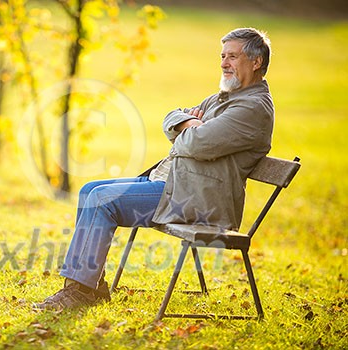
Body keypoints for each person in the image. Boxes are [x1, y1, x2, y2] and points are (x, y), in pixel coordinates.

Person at [34, 27, 274, 311]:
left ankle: (80, 291)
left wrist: (188, 129)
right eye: (222, 56)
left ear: (256, 62)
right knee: (90, 191)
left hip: (198, 201)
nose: (223, 63)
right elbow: (171, 117)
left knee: (102, 201)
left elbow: (195, 145)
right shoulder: (222, 98)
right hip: (177, 185)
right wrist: (187, 122)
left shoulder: (253, 108)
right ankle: (92, 287)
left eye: (232, 57)